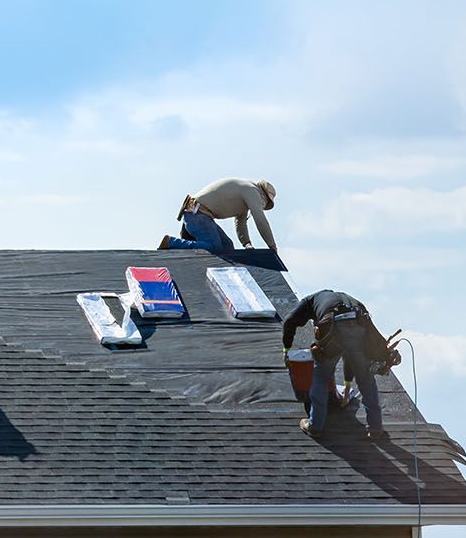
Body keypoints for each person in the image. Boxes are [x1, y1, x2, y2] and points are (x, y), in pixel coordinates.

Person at [281, 289, 398, 438]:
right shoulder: (348, 300)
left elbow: (289, 321)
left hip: (334, 328)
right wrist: (347, 388)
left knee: (321, 376)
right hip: (360, 326)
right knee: (366, 379)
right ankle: (375, 428)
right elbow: (350, 356)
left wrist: (286, 349)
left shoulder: (309, 302)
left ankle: (315, 425)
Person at [159, 178, 278, 252]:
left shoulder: (246, 191)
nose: (262, 206)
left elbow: (240, 222)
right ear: (263, 196)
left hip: (198, 215)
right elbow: (260, 220)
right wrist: (272, 247)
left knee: (227, 248)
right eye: (265, 203)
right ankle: (172, 243)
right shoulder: (252, 191)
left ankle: (184, 247)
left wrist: (247, 244)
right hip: (197, 215)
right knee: (214, 247)